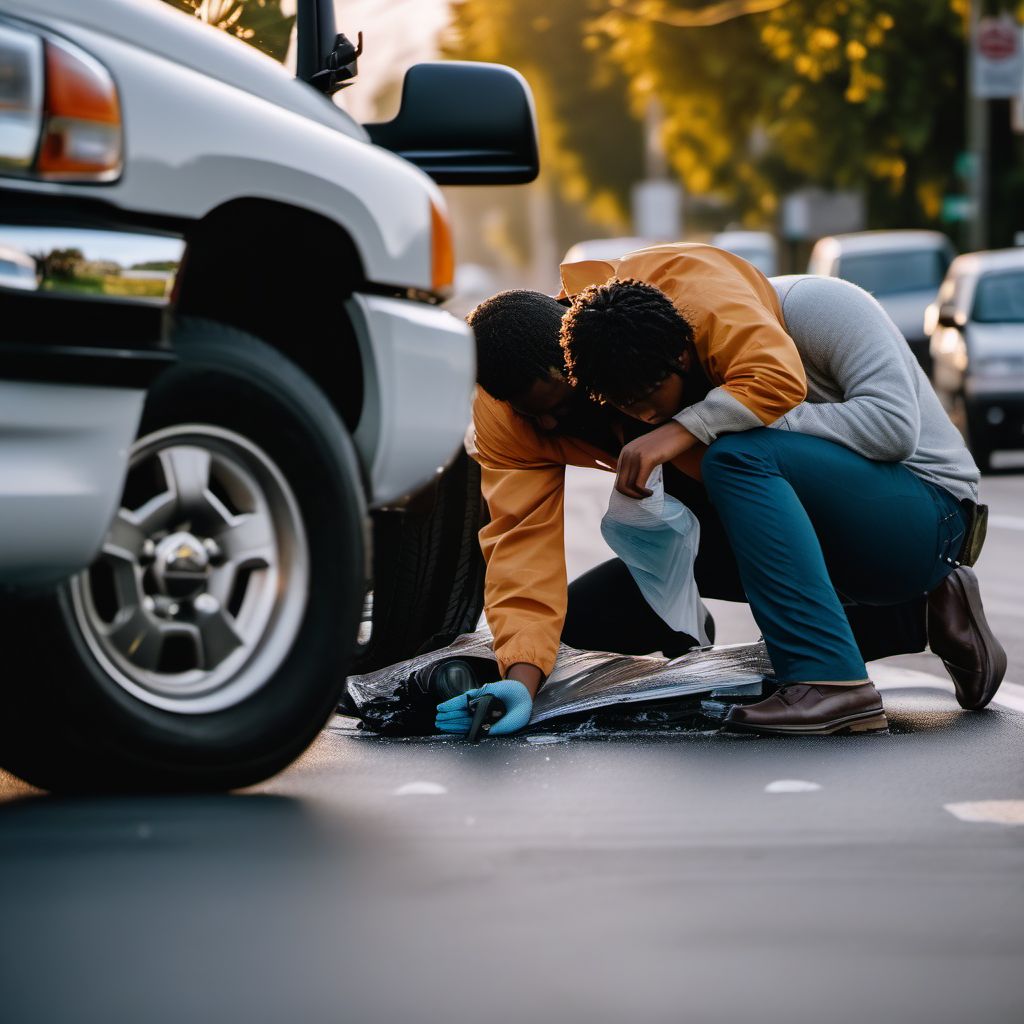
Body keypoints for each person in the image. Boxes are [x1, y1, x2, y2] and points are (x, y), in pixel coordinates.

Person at [434, 243, 1005, 737]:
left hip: (927, 515)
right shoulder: (525, 411)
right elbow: (519, 547)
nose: (556, 428)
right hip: (809, 522)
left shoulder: (799, 307)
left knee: (733, 457)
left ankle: (832, 680)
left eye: (562, 405)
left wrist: (688, 429)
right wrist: (523, 678)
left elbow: (888, 428)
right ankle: (921, 616)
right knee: (584, 619)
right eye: (539, 417)